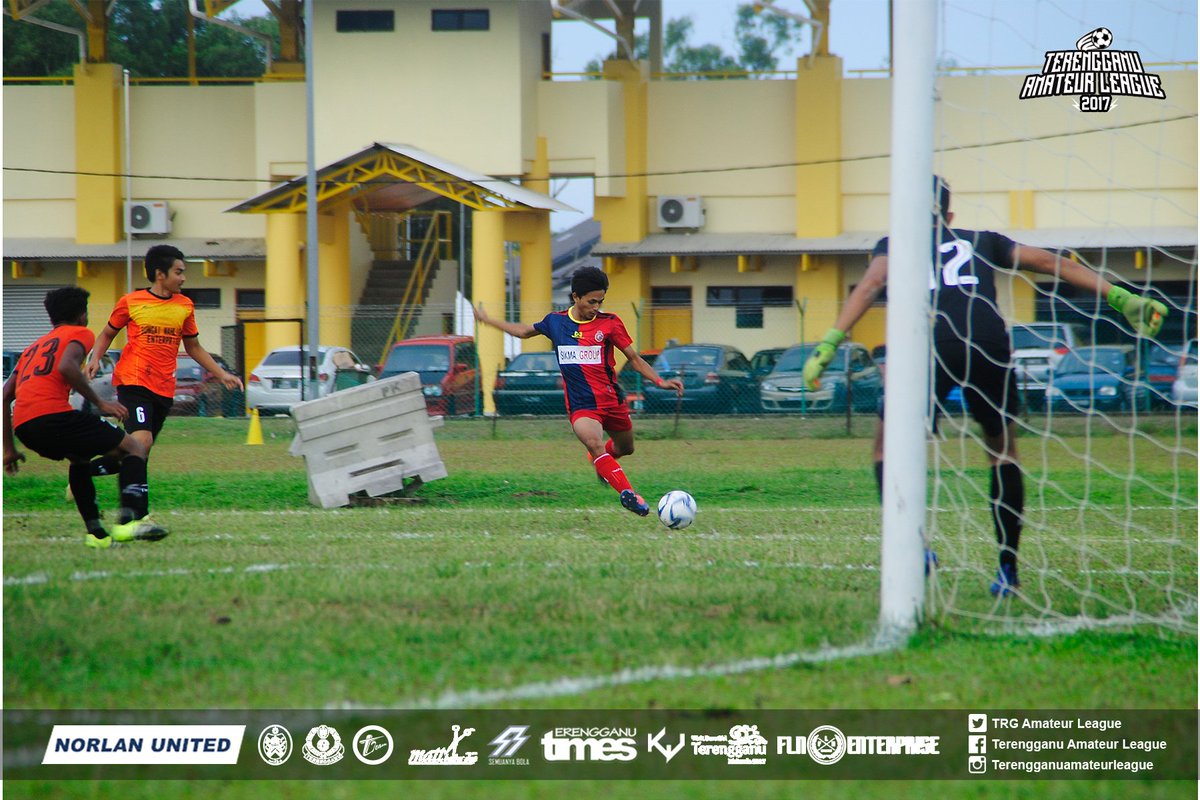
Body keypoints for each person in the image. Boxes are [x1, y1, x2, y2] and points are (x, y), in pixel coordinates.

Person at [803, 177, 1167, 596]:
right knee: (1002, 452)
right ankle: (1007, 571)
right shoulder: (982, 240)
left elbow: (870, 285)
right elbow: (1053, 263)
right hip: (988, 339)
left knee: (889, 448)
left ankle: (915, 548)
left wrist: (830, 342)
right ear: (950, 215)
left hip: (928, 342)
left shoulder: (895, 243)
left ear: (903, 211)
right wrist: (1121, 296)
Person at [473, 266, 684, 516]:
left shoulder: (610, 324)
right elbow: (522, 331)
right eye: (591, 301)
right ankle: (628, 494)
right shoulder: (556, 322)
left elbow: (635, 359)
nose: (596, 307)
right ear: (575, 297)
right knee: (594, 442)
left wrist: (660, 381)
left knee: (626, 448)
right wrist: (488, 321)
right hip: (582, 406)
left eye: (600, 301)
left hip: (612, 401)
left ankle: (602, 460)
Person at [85, 244, 244, 526]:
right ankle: (134, 515)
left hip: (163, 389)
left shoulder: (184, 306)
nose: (183, 278)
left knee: (136, 451)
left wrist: (221, 374)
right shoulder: (131, 301)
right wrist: (95, 358)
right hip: (133, 381)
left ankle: (85, 472)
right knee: (140, 441)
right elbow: (107, 333)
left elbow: (193, 347)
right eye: (179, 272)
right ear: (160, 274)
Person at [3, 287, 167, 547]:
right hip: (55, 416)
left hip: (25, 427)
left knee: (79, 459)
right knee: (134, 446)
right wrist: (101, 402)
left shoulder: (33, 347)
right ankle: (130, 521)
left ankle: (96, 534)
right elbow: (67, 366)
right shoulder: (80, 333)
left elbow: (4, 396)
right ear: (82, 315)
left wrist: (8, 449)